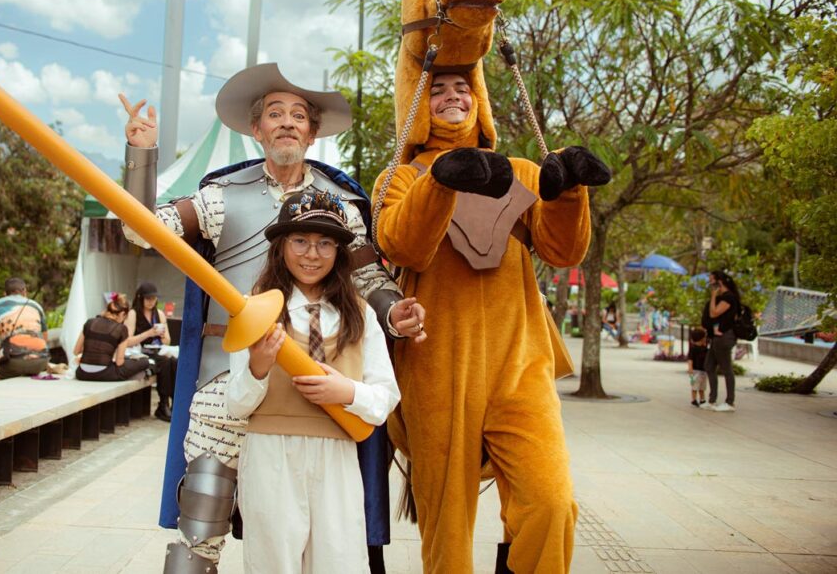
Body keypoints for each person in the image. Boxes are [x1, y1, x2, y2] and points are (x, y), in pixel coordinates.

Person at [118, 63, 425, 574]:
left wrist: (396, 314)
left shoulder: (342, 207)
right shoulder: (220, 197)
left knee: (329, 538)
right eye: (275, 113)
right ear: (256, 129)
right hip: (228, 378)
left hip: (316, 386)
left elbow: (368, 282)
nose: (287, 122)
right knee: (202, 525)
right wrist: (141, 156)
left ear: (312, 130)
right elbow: (141, 232)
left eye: (298, 114)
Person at [375, 66, 609, 570]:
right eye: (437, 90)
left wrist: (569, 191)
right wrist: (439, 182)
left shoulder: (522, 170)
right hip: (434, 365)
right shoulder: (398, 177)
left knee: (551, 501)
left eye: (464, 88)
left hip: (519, 362)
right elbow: (402, 246)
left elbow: (563, 250)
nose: (452, 97)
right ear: (417, 106)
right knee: (447, 524)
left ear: (480, 100)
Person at [227, 192, 400, 572]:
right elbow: (235, 404)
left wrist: (347, 392)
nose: (312, 254)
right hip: (271, 455)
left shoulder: (361, 313)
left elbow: (387, 394)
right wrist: (257, 366)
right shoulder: (255, 309)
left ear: (340, 251)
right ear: (281, 247)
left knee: (339, 561)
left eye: (325, 243)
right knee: (273, 561)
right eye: (300, 241)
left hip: (336, 457)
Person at [124, 281, 176, 421]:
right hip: (140, 351)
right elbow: (127, 341)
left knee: (174, 361)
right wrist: (148, 333)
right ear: (140, 298)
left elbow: (168, 341)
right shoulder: (133, 314)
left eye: (153, 299)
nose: (151, 302)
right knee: (165, 362)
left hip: (158, 349)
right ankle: (163, 403)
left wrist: (162, 335)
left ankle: (174, 402)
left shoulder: (159, 314)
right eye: (148, 299)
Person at [0, 277, 49, 379]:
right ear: (25, 291)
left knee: (2, 374)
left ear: (5, 294)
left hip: (13, 362)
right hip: (40, 361)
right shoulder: (36, 306)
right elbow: (44, 337)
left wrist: (1, 351)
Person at [73, 293, 150, 382]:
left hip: (82, 373)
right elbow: (119, 362)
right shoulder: (121, 329)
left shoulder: (89, 323)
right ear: (122, 314)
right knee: (144, 361)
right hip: (103, 373)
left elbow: (76, 351)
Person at [700, 270, 740, 412]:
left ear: (719, 281)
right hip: (717, 337)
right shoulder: (723, 296)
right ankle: (712, 400)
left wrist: (713, 295)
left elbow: (714, 312)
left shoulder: (728, 297)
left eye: (712, 280)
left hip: (724, 337)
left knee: (726, 368)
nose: (710, 282)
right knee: (709, 365)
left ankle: (730, 402)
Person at [687, 327, 709, 407]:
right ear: (701, 338)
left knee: (702, 386)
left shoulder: (705, 348)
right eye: (704, 337)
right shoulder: (693, 348)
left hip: (703, 370)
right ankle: (693, 399)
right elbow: (690, 359)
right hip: (696, 370)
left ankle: (702, 399)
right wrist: (690, 368)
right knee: (695, 385)